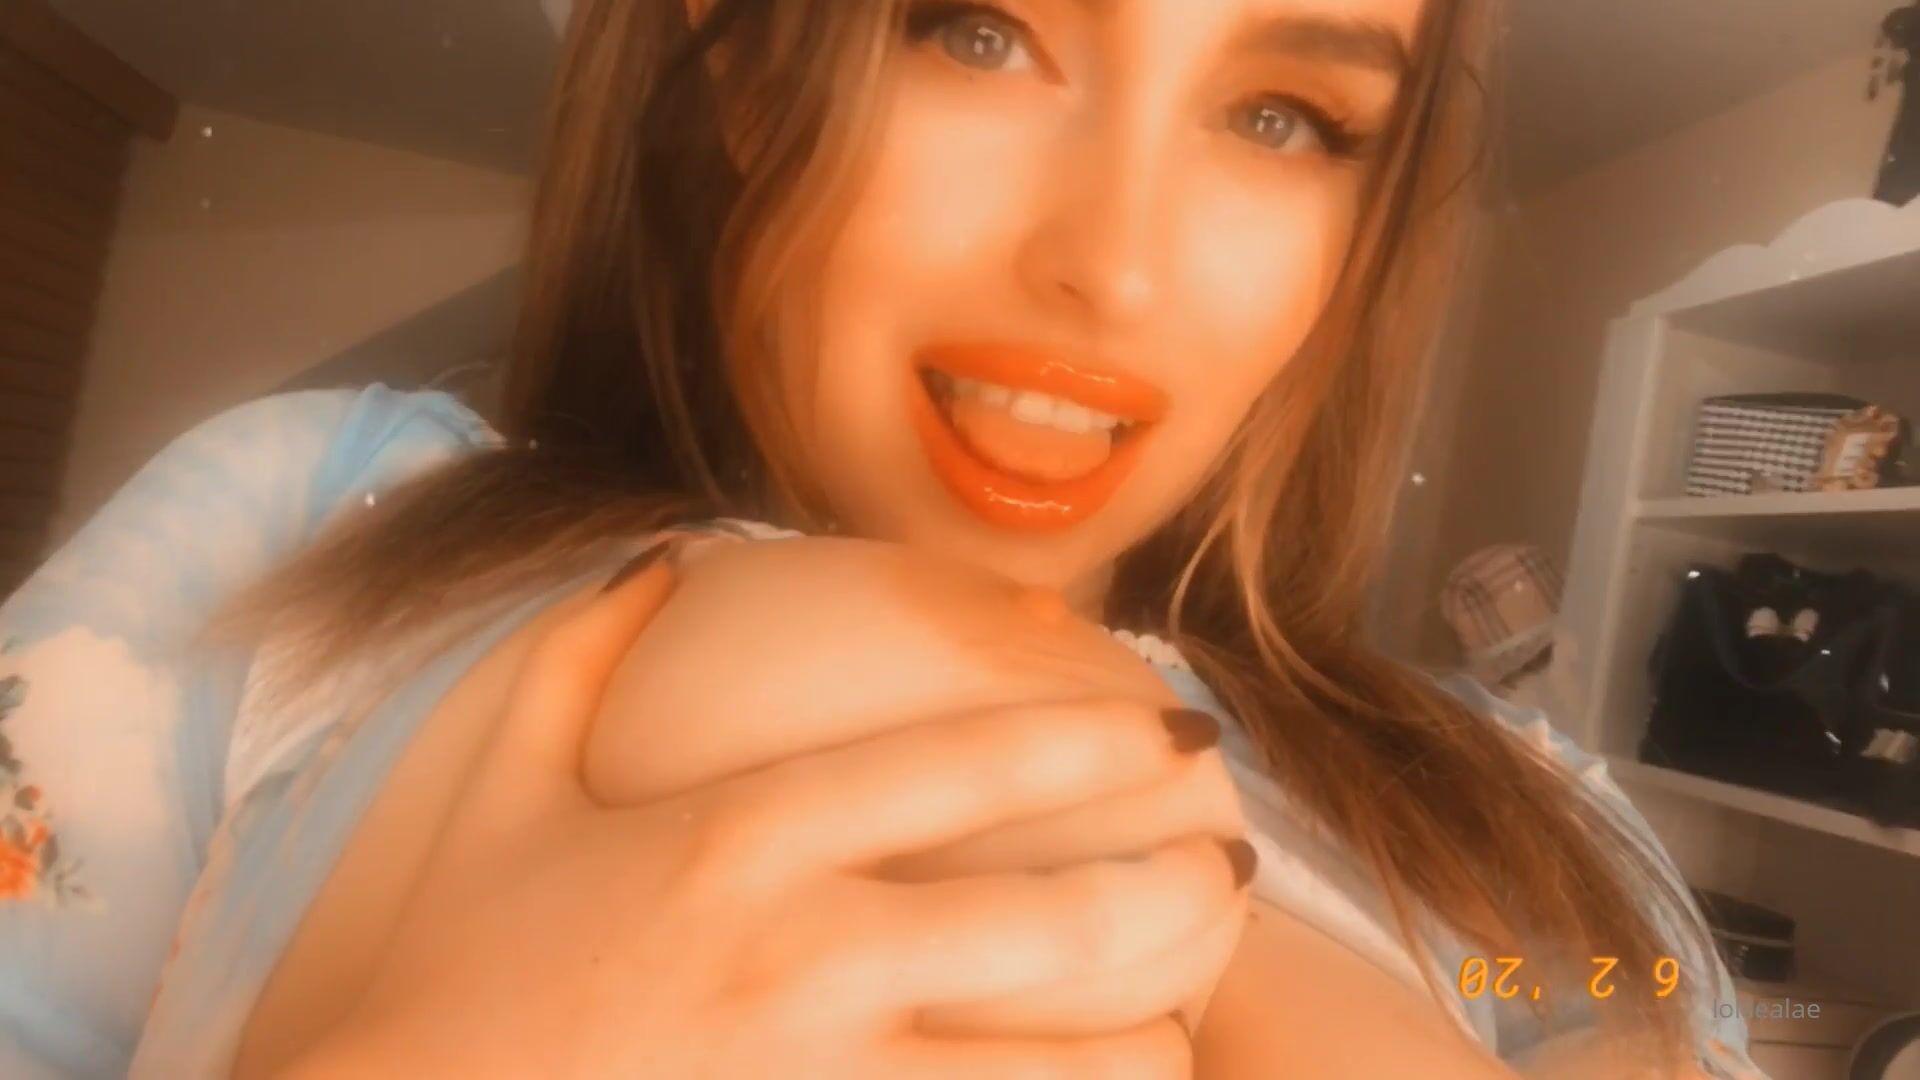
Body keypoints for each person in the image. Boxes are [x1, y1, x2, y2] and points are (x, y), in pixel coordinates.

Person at [0, 0, 1771, 1076]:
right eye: (974, 28)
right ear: (745, 60)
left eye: (1283, 116)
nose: (1115, 266)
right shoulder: (311, 541)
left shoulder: (1528, 824)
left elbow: (1616, 1008)